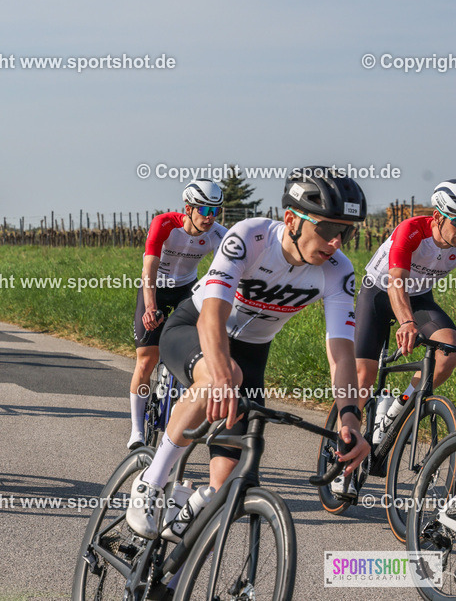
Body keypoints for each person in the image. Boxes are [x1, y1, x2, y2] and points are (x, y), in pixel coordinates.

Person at [125, 167, 370, 539]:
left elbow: (341, 352)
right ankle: (152, 482)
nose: (337, 242)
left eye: (346, 232)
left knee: (226, 488)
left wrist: (350, 415)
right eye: (328, 229)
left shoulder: (338, 271)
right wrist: (222, 374)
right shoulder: (250, 237)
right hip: (195, 330)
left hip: (252, 355)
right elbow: (212, 315)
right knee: (221, 378)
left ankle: (176, 557)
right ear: (292, 220)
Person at [349, 179, 456, 496]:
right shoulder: (411, 230)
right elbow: (396, 282)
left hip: (420, 298)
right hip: (379, 294)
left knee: (448, 351)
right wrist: (406, 321)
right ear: (438, 217)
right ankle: (343, 460)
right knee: (364, 376)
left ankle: (394, 412)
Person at [126, 179, 227, 449]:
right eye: (205, 210)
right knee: (147, 360)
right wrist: (150, 307)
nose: (210, 217)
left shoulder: (219, 235)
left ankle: (177, 422)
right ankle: (136, 430)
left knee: (191, 360)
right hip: (156, 288)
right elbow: (149, 269)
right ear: (189, 208)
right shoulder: (165, 224)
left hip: (186, 290)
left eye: (216, 211)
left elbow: (224, 276)